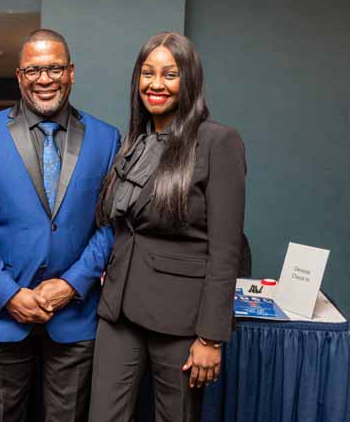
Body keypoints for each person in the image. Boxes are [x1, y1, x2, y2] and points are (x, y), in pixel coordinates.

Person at [0, 29, 120, 422]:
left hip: (75, 316)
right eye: (33, 70)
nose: (44, 79)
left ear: (71, 72)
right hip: (1, 314)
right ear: (19, 76)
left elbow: (111, 225)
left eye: (54, 68)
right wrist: (9, 294)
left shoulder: (106, 138)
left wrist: (71, 284)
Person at [89, 32, 246, 422]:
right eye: (147, 73)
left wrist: (211, 336)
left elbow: (226, 251)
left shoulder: (217, 142)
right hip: (118, 313)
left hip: (181, 320)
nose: (155, 84)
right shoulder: (134, 142)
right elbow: (125, 227)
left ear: (188, 80)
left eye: (169, 74)